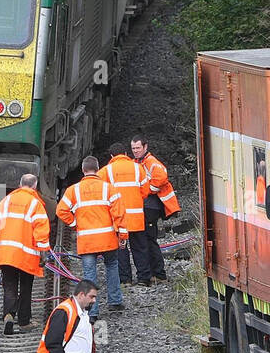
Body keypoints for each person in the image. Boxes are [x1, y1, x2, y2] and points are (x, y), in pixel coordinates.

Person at [56, 156, 127, 318]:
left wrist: (74, 223)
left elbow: (61, 211)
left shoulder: (73, 190)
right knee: (112, 266)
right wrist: (122, 234)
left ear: (83, 170)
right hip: (108, 239)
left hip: (87, 241)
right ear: (97, 169)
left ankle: (92, 312)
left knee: (89, 275)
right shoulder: (108, 188)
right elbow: (119, 214)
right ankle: (115, 302)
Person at [0, 174, 51, 335]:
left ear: (20, 185)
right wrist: (44, 253)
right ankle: (23, 321)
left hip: (7, 253)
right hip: (27, 256)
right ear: (35, 187)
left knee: (10, 286)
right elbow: (41, 230)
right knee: (26, 288)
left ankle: (8, 315)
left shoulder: (7, 201)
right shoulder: (35, 204)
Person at [131, 134, 180, 283]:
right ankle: (155, 273)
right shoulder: (139, 162)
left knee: (148, 240)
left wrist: (147, 190)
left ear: (145, 147)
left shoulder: (151, 162)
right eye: (133, 148)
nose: (135, 151)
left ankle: (157, 274)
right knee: (148, 240)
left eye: (138, 148)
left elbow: (161, 178)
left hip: (151, 207)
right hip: (147, 207)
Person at [101, 143, 151, 285]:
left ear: (111, 156)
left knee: (121, 249)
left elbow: (102, 194)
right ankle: (144, 278)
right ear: (125, 153)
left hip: (118, 218)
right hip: (136, 217)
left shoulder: (106, 171)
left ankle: (125, 279)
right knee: (140, 248)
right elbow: (145, 191)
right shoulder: (138, 168)